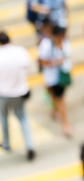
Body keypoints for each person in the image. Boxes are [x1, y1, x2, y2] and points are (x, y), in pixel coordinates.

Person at [0, 32, 35, 160]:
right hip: (19, 92)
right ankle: (29, 145)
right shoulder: (20, 51)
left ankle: (7, 144)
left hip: (3, 93)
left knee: (3, 117)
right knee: (22, 118)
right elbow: (28, 67)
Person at [38, 26, 72, 137]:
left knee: (59, 99)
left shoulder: (64, 42)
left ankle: (57, 114)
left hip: (61, 76)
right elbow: (42, 62)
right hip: (51, 77)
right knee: (58, 99)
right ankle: (65, 124)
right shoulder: (46, 45)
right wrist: (56, 62)